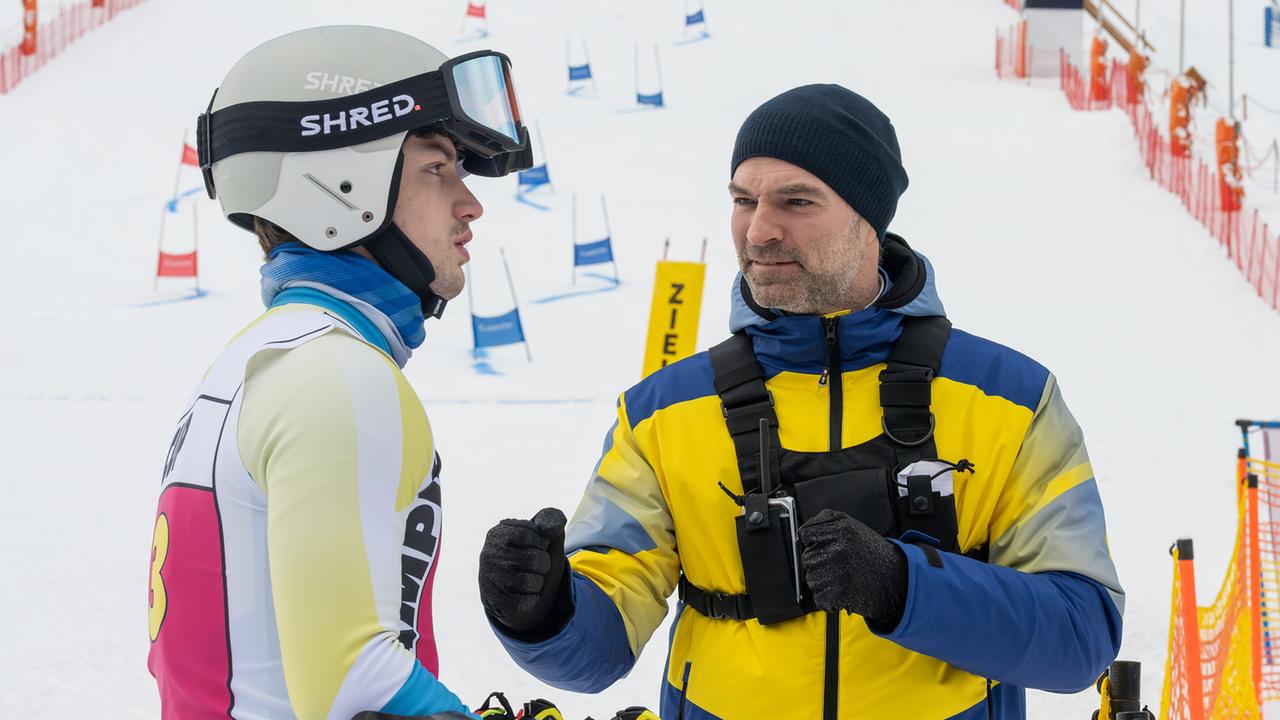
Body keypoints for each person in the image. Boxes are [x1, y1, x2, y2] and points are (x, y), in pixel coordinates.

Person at [477, 85, 1123, 719]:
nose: (759, 230)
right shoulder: (662, 414)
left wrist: (905, 588)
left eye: (796, 201)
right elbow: (596, 655)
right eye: (742, 200)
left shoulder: (1009, 398)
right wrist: (544, 612)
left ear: (868, 218)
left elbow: (1079, 638)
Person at [146, 25, 531, 719]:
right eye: (437, 168)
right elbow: (357, 690)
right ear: (338, 184)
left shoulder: (262, 358)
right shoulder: (335, 376)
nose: (471, 205)